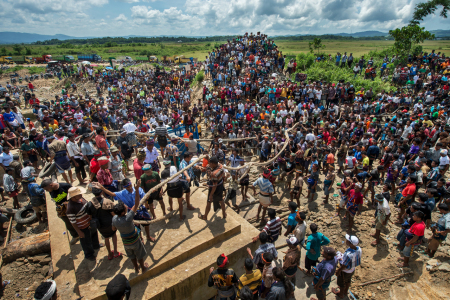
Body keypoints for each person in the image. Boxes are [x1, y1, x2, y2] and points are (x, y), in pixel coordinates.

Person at [92, 179, 155, 243]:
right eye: (128, 187)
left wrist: (150, 192)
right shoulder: (122, 193)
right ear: (124, 187)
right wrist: (102, 188)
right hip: (132, 213)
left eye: (130, 186)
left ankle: (148, 236)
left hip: (141, 209)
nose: (130, 188)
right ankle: (140, 238)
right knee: (137, 227)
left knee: (147, 224)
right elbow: (112, 194)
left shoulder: (138, 189)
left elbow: (145, 197)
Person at [111, 179, 149, 273]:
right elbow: (136, 204)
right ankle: (143, 268)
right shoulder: (129, 217)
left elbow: (113, 228)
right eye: (124, 207)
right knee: (139, 255)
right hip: (135, 240)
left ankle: (136, 268)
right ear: (124, 212)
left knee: (132, 256)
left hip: (126, 242)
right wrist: (136, 190)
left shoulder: (115, 219)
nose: (125, 205)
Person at [66, 186, 101, 261]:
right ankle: (89, 255)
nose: (81, 195)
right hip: (83, 227)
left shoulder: (81, 199)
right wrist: (79, 232)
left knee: (94, 235)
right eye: (79, 194)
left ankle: (96, 246)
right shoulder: (70, 208)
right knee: (86, 242)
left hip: (90, 222)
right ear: (74, 197)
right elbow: (73, 222)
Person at [40, 179, 79, 243]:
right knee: (68, 223)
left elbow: (76, 194)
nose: (47, 191)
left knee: (78, 220)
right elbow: (56, 200)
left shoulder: (65, 186)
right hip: (63, 210)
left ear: (51, 185)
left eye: (47, 189)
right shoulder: (51, 191)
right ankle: (75, 235)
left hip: (73, 207)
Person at [88, 188, 121, 261]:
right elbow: (113, 214)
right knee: (113, 235)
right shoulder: (107, 201)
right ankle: (115, 252)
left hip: (100, 225)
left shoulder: (90, 204)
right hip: (110, 223)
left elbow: (90, 217)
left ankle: (109, 253)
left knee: (106, 238)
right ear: (101, 192)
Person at [332, 235, 362, 299]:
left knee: (341, 283)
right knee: (348, 281)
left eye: (347, 240)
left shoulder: (349, 254)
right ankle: (345, 292)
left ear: (350, 243)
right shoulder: (359, 249)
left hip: (345, 271)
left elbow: (344, 265)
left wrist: (338, 270)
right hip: (352, 269)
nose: (346, 240)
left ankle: (341, 294)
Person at [199, 156, 226, 220]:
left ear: (213, 163)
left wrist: (211, 195)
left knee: (209, 202)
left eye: (210, 163)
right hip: (220, 185)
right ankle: (224, 214)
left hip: (215, 187)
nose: (209, 164)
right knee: (221, 200)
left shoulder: (214, 174)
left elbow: (214, 186)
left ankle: (205, 216)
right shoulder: (221, 165)